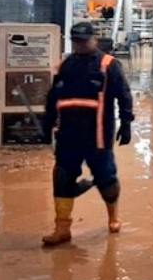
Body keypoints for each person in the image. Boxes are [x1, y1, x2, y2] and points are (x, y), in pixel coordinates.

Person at [39, 22, 134, 245]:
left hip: (98, 135)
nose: (80, 44)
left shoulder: (108, 65)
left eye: (83, 40)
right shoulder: (65, 65)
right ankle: (62, 229)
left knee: (106, 178)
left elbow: (124, 95)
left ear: (94, 39)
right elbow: (53, 98)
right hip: (68, 135)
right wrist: (47, 123)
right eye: (76, 41)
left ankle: (113, 217)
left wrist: (127, 122)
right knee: (62, 178)